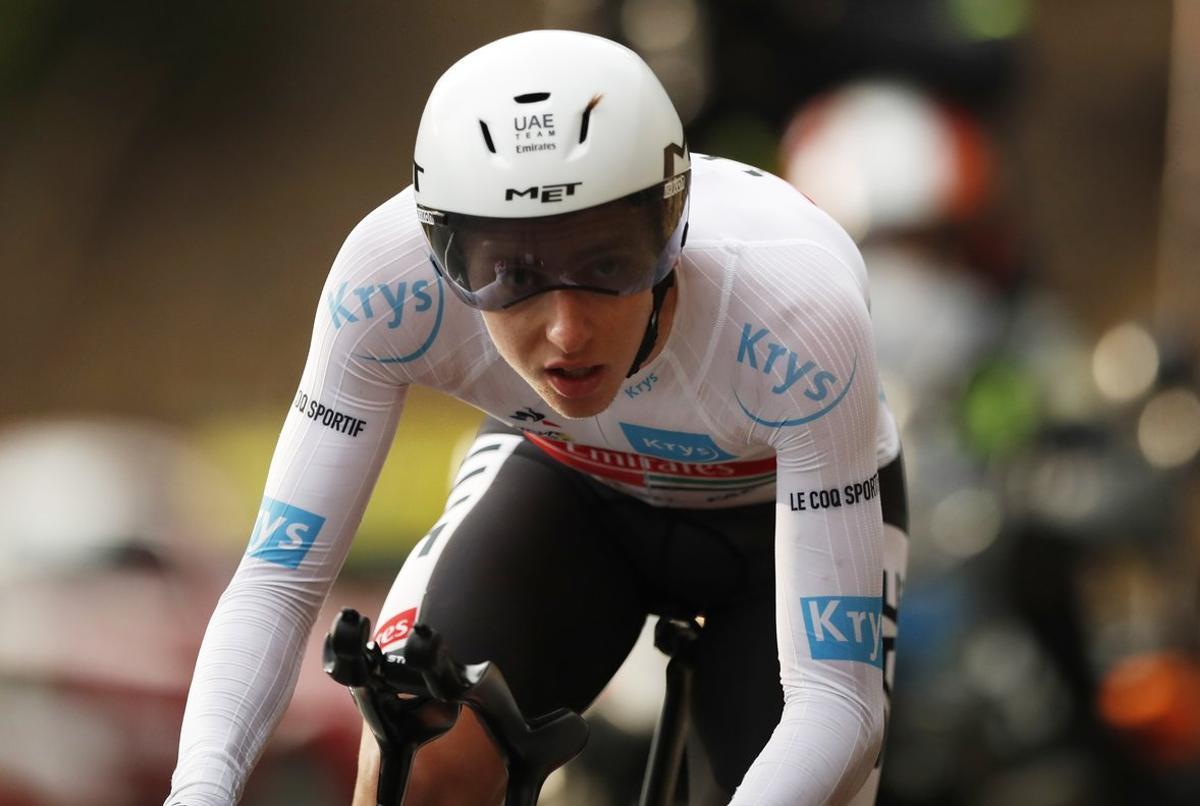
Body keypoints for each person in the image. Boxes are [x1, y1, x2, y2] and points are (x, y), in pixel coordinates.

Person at [165, 29, 909, 806]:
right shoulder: (383, 287)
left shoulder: (794, 311)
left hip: (778, 528)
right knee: (416, 758)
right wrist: (198, 792)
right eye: (509, 275)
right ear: (441, 253)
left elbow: (836, 704)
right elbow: (278, 582)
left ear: (673, 228)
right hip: (568, 483)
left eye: (607, 265)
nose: (566, 331)